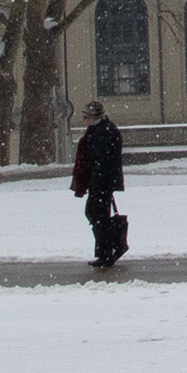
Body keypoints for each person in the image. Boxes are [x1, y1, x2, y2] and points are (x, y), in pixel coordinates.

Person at [69, 101, 129, 267]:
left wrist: (95, 181)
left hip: (101, 182)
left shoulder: (102, 132)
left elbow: (101, 161)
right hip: (102, 182)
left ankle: (106, 252)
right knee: (98, 215)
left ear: (93, 117)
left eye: (85, 117)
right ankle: (107, 250)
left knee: (97, 215)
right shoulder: (102, 130)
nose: (84, 121)